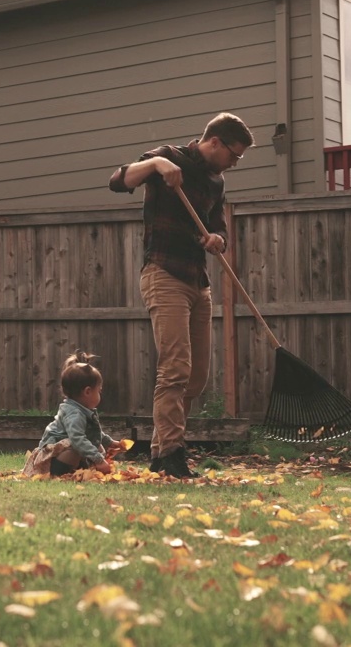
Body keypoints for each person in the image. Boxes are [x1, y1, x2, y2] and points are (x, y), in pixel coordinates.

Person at [108, 112, 253, 478]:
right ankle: (172, 451)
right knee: (174, 368)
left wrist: (217, 239)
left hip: (197, 280)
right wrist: (156, 164)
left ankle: (160, 452)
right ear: (215, 142)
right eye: (234, 155)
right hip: (164, 273)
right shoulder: (168, 157)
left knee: (196, 377)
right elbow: (117, 181)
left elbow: (219, 225)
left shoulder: (216, 182)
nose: (235, 163)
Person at [28, 351, 121, 477]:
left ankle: (80, 468)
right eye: (99, 391)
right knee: (77, 447)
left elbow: (92, 432)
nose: (100, 395)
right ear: (87, 392)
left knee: (96, 446)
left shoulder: (82, 410)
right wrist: (98, 460)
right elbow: (77, 439)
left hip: (64, 452)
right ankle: (60, 473)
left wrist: (109, 441)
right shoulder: (74, 414)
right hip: (51, 459)